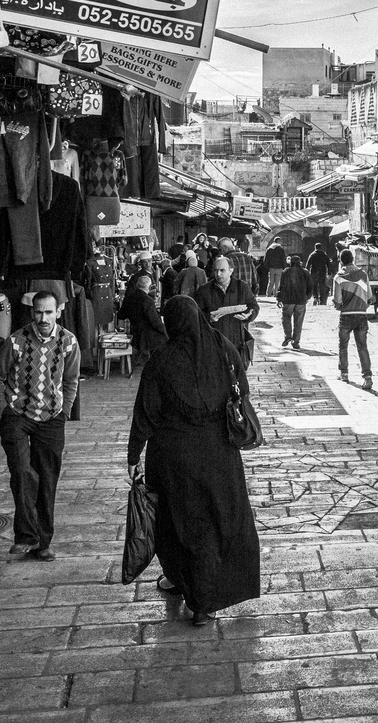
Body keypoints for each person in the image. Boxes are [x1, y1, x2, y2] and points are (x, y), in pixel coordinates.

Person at [126, 296, 261, 626]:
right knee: (214, 524)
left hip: (173, 458)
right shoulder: (221, 346)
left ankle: (180, 581)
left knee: (177, 524)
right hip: (219, 455)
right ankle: (204, 604)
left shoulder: (162, 360)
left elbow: (146, 413)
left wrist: (133, 456)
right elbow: (240, 387)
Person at [0, 290, 81, 562]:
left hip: (52, 419)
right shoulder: (16, 341)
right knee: (21, 472)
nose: (43, 318)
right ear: (32, 313)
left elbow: (72, 380)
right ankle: (26, 536)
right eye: (39, 312)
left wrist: (65, 411)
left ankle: (43, 542)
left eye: (48, 312)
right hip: (18, 416)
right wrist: (4, 411)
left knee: (48, 479)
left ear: (58, 312)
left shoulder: (68, 342)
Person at [192, 255, 260, 362]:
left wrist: (249, 315)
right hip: (213, 347)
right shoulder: (204, 290)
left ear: (231, 270)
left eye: (222, 270)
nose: (218, 274)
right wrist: (209, 318)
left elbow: (254, 306)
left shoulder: (242, 287)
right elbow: (195, 314)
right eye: (216, 270)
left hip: (236, 344)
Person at [332, 250, 373, 388]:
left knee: (343, 345)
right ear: (353, 259)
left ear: (341, 260)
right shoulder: (363, 274)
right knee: (362, 347)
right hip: (361, 314)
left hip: (346, 316)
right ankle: (367, 377)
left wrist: (338, 305)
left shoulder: (339, 277)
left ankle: (344, 374)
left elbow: (337, 300)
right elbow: (369, 297)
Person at [117, 274, 167, 366]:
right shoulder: (148, 300)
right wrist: (164, 331)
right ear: (149, 286)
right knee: (165, 338)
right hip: (147, 336)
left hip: (135, 333)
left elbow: (121, 315)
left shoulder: (129, 298)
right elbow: (154, 321)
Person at [276, 254, 312, 349]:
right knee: (298, 321)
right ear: (300, 262)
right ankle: (296, 341)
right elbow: (310, 287)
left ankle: (288, 336)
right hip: (301, 301)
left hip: (288, 300)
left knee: (286, 317)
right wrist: (306, 297)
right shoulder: (305, 272)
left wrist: (279, 299)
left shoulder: (285, 272)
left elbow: (281, 287)